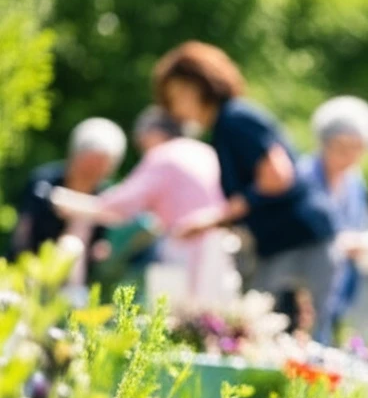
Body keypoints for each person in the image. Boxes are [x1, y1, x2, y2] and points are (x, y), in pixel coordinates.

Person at [152, 41, 336, 336]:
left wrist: (214, 219)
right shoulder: (226, 126)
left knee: (279, 332)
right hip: (280, 242)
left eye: (177, 96)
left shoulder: (235, 119)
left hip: (299, 240)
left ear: (197, 87)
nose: (177, 109)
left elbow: (277, 176)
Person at [50, 106, 235, 303]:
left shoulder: (165, 156)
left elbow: (118, 207)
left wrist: (68, 203)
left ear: (154, 132)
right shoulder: (203, 151)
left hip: (184, 250)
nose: (141, 148)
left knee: (177, 319)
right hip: (220, 244)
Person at [297, 96, 368, 340]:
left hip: (341, 283)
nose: (349, 156)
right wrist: (341, 242)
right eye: (341, 147)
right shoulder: (304, 177)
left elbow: (363, 222)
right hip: (304, 284)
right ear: (323, 143)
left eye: (357, 148)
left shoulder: (355, 181)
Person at [9, 117, 127, 283]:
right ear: (75, 155)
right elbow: (25, 231)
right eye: (89, 164)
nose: (92, 172)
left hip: (86, 281)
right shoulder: (44, 182)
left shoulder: (109, 194)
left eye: (100, 166)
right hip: (34, 273)